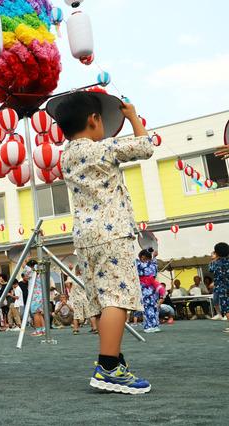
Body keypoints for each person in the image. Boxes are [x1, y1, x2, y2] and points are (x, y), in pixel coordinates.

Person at [56, 92, 152, 394]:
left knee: (102, 298)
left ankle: (114, 361)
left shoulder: (65, 156)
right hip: (111, 233)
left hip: (84, 237)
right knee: (118, 298)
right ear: (93, 119)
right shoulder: (103, 149)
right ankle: (109, 366)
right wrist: (133, 115)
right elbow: (146, 147)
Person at [137, 249, 161, 333]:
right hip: (153, 288)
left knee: (147, 308)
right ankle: (155, 325)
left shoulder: (139, 264)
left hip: (145, 288)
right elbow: (153, 260)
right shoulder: (153, 264)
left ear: (143, 257)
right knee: (154, 307)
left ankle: (149, 326)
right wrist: (154, 256)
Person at [209, 242, 229, 332]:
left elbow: (210, 269)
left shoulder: (215, 263)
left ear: (216, 253)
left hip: (222, 288)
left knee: (226, 307)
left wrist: (215, 259)